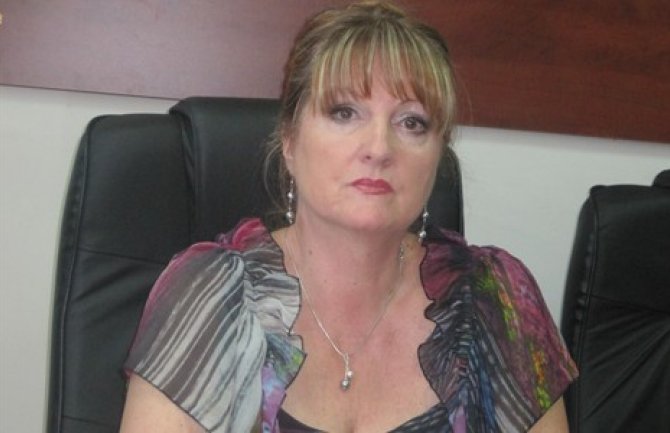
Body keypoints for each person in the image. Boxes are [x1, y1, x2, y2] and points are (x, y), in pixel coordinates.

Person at [120, 2, 578, 432]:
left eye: (412, 122)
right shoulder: (213, 296)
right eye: (345, 112)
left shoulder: (495, 301)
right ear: (289, 141)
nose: (379, 148)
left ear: (438, 154)